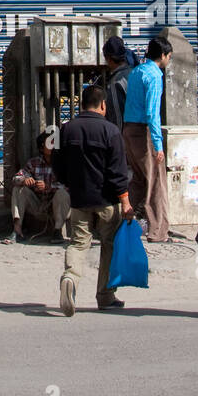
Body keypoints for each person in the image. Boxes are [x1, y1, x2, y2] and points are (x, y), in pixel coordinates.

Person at [53, 84, 133, 316]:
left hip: (78, 199)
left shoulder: (65, 130)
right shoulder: (111, 131)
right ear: (103, 105)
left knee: (78, 244)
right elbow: (118, 171)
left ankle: (70, 278)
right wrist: (125, 202)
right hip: (108, 200)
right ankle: (106, 296)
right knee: (108, 245)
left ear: (81, 105)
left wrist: (69, 184)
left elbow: (57, 166)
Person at [123, 36, 173, 243]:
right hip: (144, 133)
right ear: (163, 55)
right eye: (169, 56)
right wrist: (158, 144)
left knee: (138, 181)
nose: (168, 60)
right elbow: (153, 112)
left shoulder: (136, 72)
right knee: (155, 182)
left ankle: (123, 224)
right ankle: (158, 231)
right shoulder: (154, 75)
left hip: (129, 130)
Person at [4, 130, 71, 244]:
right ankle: (17, 230)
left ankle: (57, 230)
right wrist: (25, 180)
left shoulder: (64, 164)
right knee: (18, 189)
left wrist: (48, 187)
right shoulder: (34, 163)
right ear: (41, 148)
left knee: (62, 193)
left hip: (56, 206)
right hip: (38, 204)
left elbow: (69, 185)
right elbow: (16, 178)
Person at [102, 35, 136, 129]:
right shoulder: (134, 74)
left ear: (108, 58)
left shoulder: (115, 83)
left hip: (126, 135)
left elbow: (117, 117)